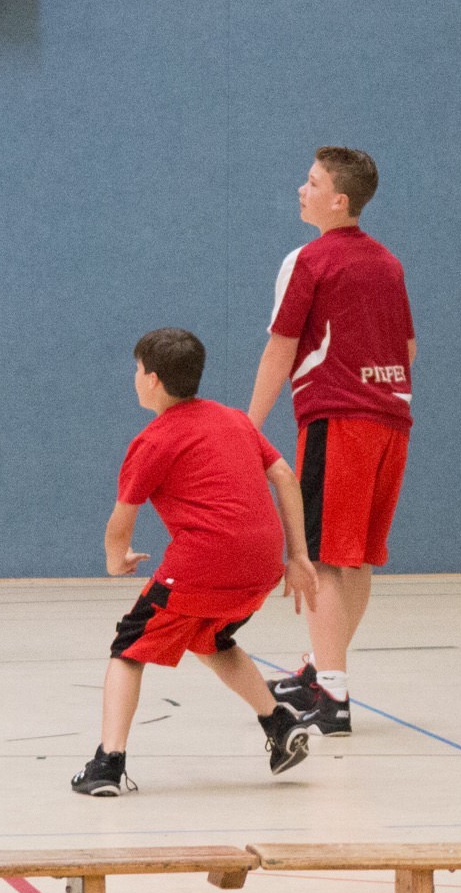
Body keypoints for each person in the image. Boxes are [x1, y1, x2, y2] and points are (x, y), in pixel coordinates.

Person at [73, 328, 319, 796]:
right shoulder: (235, 420)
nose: (134, 377)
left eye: (137, 369)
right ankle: (279, 724)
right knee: (211, 638)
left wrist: (115, 561)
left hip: (203, 563)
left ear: (153, 380)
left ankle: (106, 765)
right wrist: (299, 555)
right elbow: (286, 476)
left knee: (129, 648)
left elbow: (120, 523)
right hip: (263, 563)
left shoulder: (152, 441)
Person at [247, 146, 414, 738]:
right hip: (393, 420)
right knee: (356, 555)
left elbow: (281, 347)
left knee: (321, 558)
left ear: (338, 200)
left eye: (313, 182)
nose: (302, 188)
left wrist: (248, 426)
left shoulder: (309, 259)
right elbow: (409, 348)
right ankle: (321, 671)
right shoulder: (388, 263)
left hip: (337, 419)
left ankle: (333, 698)